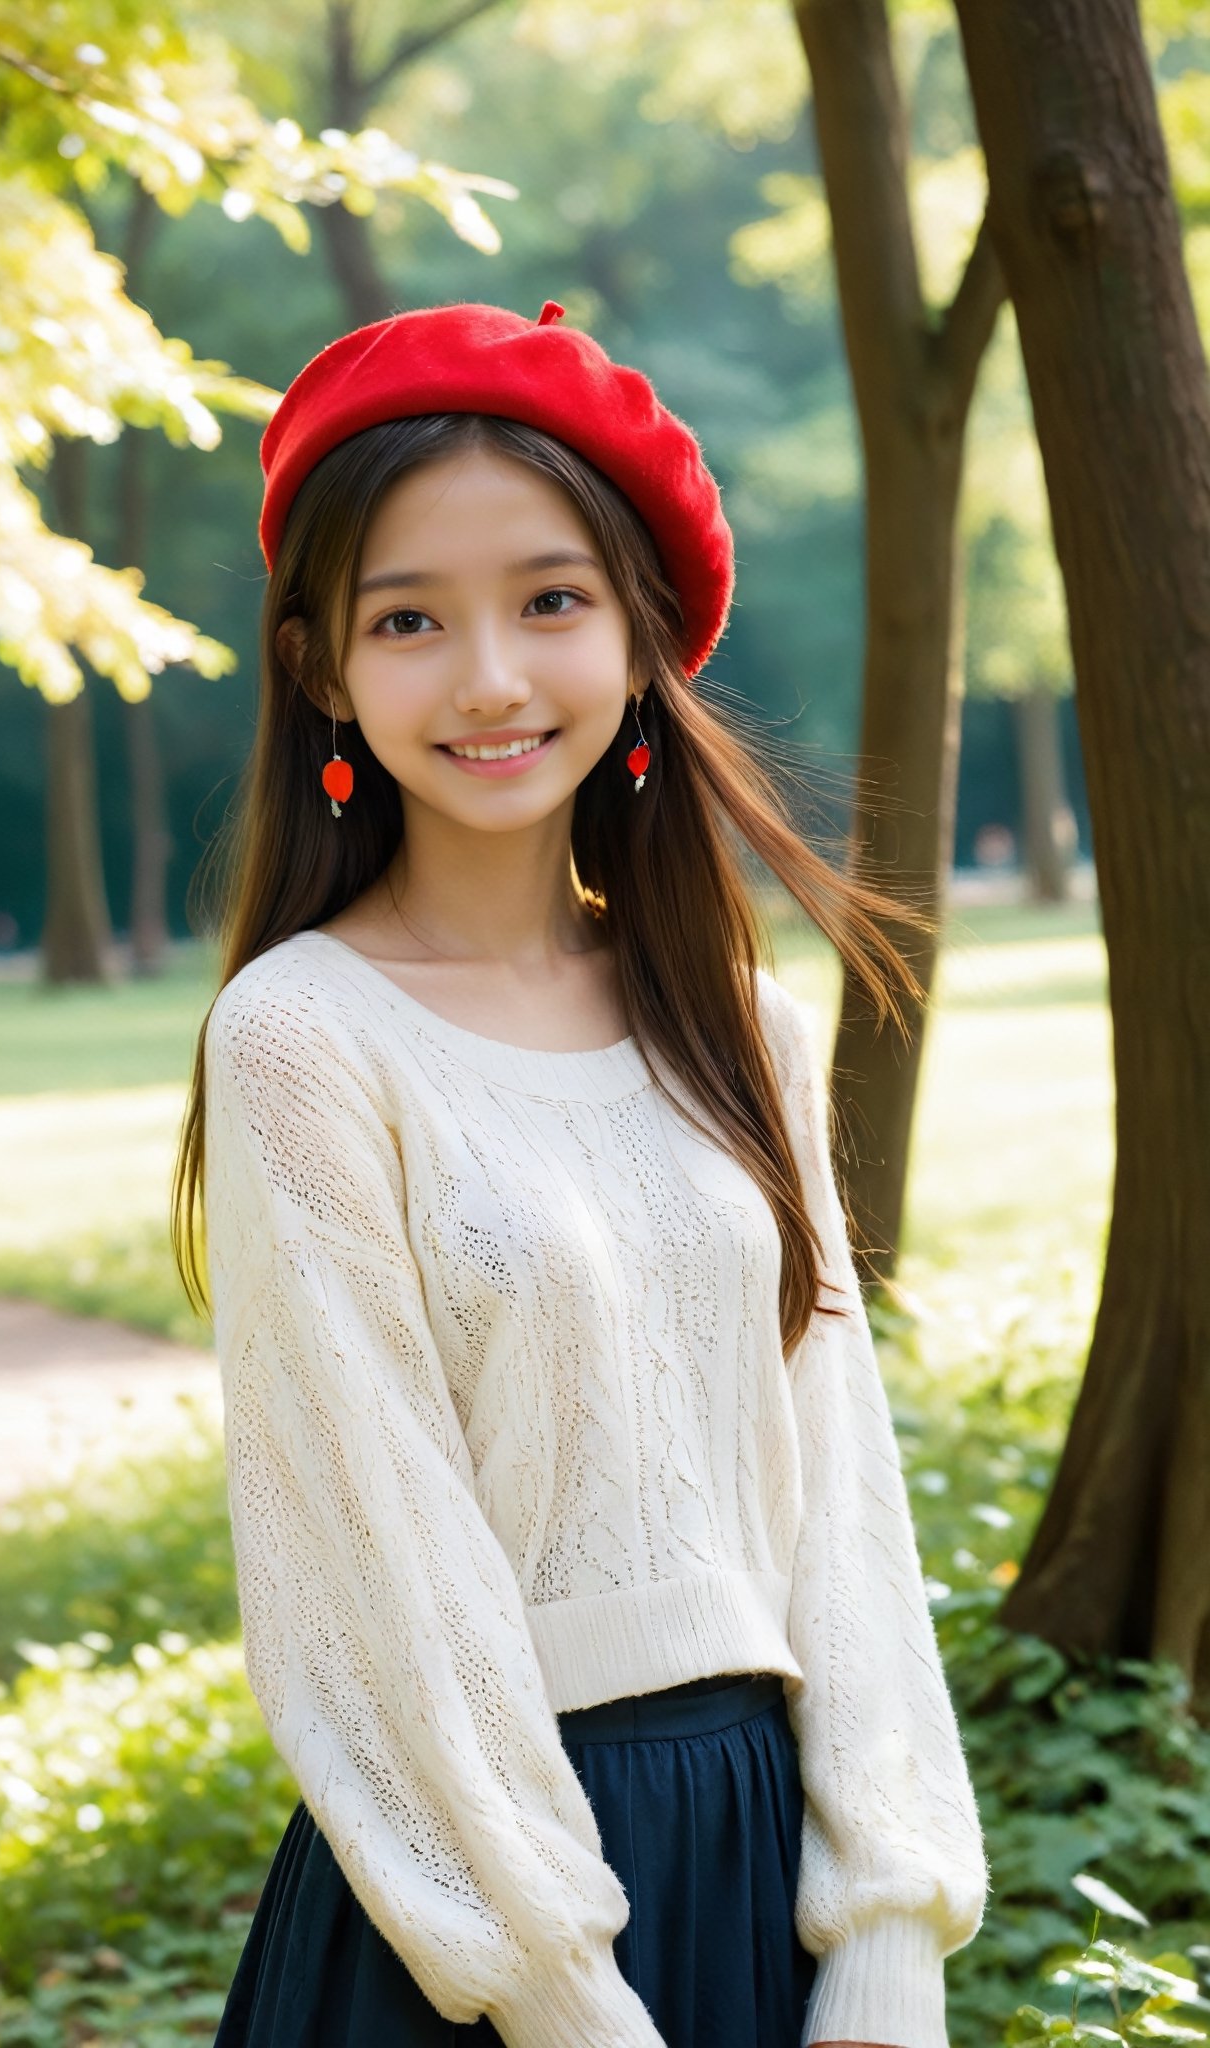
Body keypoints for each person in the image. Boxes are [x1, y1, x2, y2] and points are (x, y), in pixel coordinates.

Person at [171, 299, 989, 2048]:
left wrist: (890, 1935)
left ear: (637, 633)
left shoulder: (737, 1023)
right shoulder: (304, 1038)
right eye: (410, 619)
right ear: (320, 664)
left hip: (760, 1864)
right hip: (480, 1929)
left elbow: (834, 1480)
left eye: (549, 600)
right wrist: (566, 1999)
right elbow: (370, 1569)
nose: (488, 677)